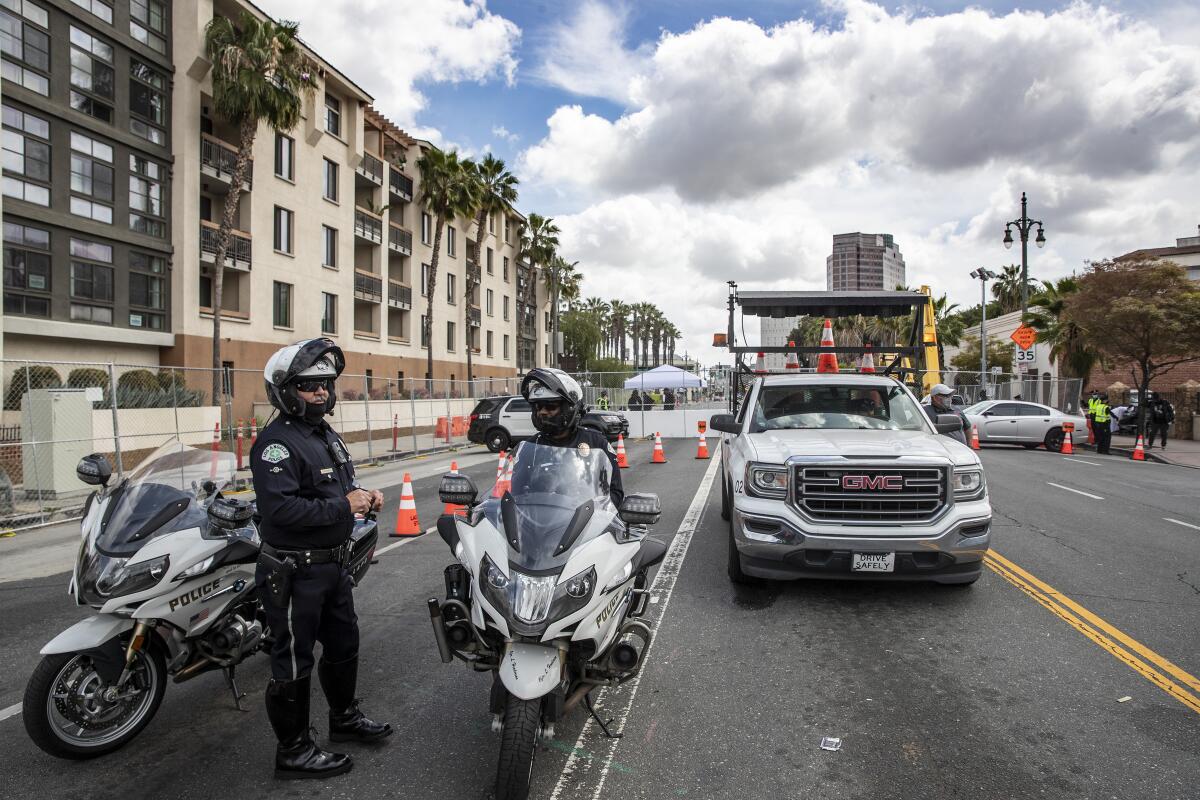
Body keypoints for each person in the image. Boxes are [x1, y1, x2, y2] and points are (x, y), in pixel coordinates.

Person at [251, 338, 392, 780]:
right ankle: (293, 752)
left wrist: (365, 498)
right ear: (285, 390)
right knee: (293, 660)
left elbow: (336, 490)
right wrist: (344, 507)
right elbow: (281, 510)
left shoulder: (323, 435)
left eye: (326, 384)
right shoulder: (275, 445)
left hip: (333, 565)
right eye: (309, 385)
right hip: (295, 571)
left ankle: (344, 719)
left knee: (344, 645)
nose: (321, 393)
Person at [521, 367, 623, 506]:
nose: (542, 412)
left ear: (569, 408)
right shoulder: (529, 447)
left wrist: (598, 512)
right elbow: (515, 493)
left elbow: (614, 492)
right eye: (538, 407)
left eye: (550, 407)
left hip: (587, 522)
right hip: (538, 523)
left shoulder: (596, 442)